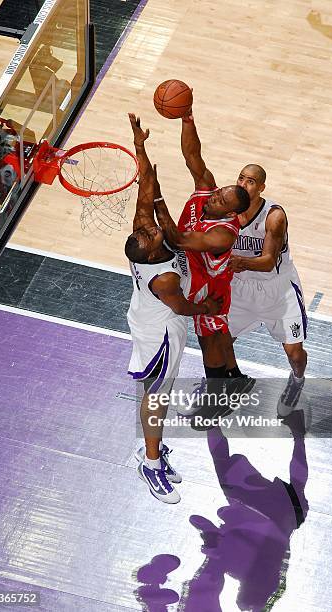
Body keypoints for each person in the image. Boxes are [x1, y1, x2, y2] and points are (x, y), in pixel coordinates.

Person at [126, 114, 222, 503]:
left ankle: (153, 449)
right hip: (160, 331)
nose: (149, 227)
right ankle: (150, 462)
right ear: (150, 251)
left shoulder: (144, 236)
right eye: (148, 233)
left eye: (145, 228)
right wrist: (208, 305)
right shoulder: (162, 278)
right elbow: (183, 307)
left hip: (157, 321)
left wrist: (140, 145)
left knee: (159, 394)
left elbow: (146, 188)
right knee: (157, 395)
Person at [154, 113, 254, 429]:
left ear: (232, 212)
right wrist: (187, 118)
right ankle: (234, 378)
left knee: (208, 340)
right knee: (218, 334)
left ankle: (217, 402)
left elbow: (179, 238)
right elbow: (192, 155)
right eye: (216, 192)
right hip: (193, 275)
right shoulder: (205, 192)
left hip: (209, 289)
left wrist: (157, 198)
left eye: (220, 199)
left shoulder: (223, 233)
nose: (212, 197)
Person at [226, 163, 308, 410]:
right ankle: (230, 382)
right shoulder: (226, 209)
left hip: (277, 289)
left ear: (261, 188)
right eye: (241, 178)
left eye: (250, 181)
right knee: (219, 342)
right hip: (240, 288)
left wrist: (238, 261)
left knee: (294, 353)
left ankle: (297, 380)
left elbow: (269, 262)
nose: (243, 184)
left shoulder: (274, 215)